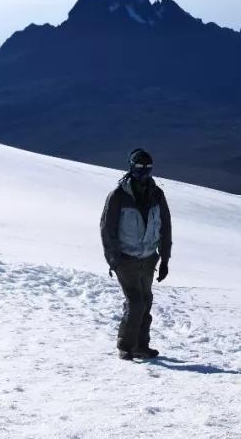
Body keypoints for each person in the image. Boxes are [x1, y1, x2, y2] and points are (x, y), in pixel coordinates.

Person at [99, 148, 173, 360]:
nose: (143, 172)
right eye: (139, 168)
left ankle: (141, 345)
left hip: (148, 259)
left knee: (146, 301)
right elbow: (107, 229)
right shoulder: (118, 196)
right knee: (136, 302)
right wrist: (114, 259)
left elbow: (165, 227)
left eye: (147, 168)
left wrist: (165, 258)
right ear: (131, 167)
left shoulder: (157, 195)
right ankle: (126, 345)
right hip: (126, 259)